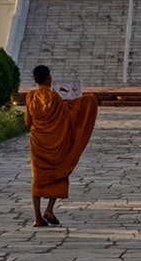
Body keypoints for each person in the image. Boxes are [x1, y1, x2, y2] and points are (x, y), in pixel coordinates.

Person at [24, 65, 99, 227]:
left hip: (38, 143)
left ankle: (37, 217)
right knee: (58, 173)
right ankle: (49, 209)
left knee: (37, 178)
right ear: (49, 79)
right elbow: (68, 118)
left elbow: (27, 122)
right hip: (55, 144)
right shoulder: (55, 98)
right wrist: (84, 104)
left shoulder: (31, 96)